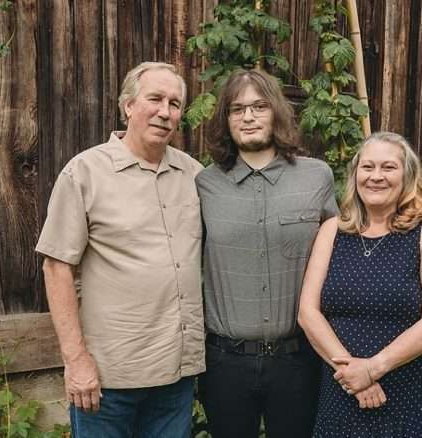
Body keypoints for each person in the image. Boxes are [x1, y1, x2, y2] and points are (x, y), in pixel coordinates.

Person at [35, 61, 204, 438]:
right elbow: (56, 267)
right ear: (128, 105)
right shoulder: (85, 172)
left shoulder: (194, 175)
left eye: (174, 104)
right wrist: (76, 362)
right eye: (155, 99)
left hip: (175, 374)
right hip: (107, 377)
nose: (165, 112)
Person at [196, 69, 337, 438]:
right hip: (225, 362)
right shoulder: (203, 184)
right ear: (225, 120)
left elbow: (341, 255)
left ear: (276, 112)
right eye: (237, 108)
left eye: (259, 106)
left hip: (297, 359)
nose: (248, 116)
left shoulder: (316, 177)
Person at [297, 132, 422, 437]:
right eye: (367, 167)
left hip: (410, 396)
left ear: (407, 176)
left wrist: (372, 369)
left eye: (388, 168)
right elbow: (308, 312)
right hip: (342, 394)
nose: (376, 177)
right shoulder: (333, 231)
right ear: (355, 175)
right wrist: (352, 374)